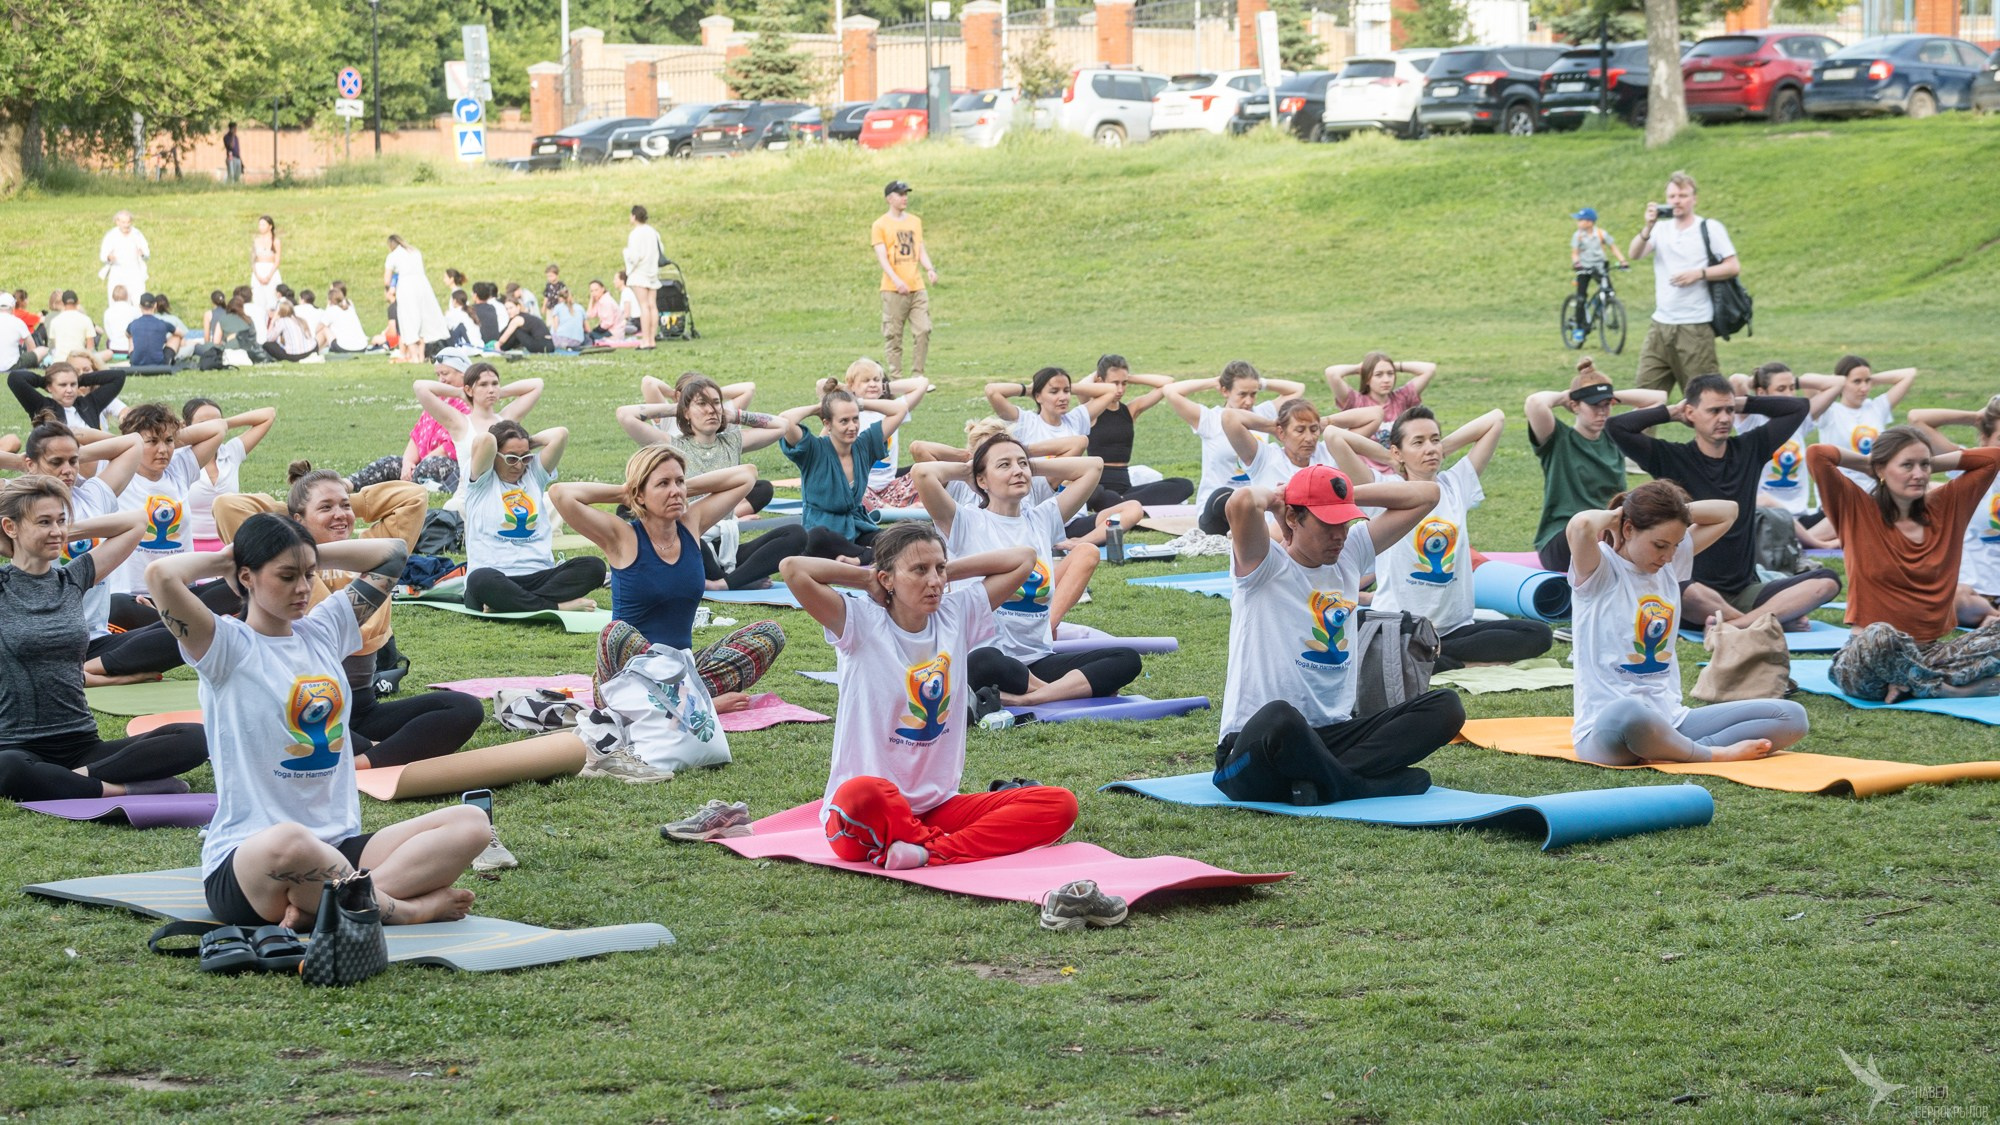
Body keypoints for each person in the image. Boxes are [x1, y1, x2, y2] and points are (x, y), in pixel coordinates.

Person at [150, 516, 508, 928]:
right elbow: (160, 574)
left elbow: (392, 554)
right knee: (289, 841)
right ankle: (405, 910)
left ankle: (332, 908)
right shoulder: (224, 646)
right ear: (246, 577)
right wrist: (229, 558)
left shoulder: (323, 631)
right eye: (286, 576)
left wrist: (304, 550)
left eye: (308, 574)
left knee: (471, 824)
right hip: (254, 862)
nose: (303, 588)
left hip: (338, 849)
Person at [781, 527, 1084, 871]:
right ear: (887, 579)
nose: (935, 582)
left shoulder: (956, 614)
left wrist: (941, 570)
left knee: (1058, 803)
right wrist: (867, 579)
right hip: (869, 813)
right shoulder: (859, 623)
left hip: (937, 808)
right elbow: (793, 568)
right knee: (861, 792)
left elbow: (1024, 558)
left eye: (939, 569)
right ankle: (930, 843)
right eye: (919, 571)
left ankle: (927, 851)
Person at [212, 467, 502, 806]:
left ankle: (359, 763)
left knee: (463, 708)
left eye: (344, 506)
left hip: (360, 709)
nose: (340, 515)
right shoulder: (283, 572)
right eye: (326, 508)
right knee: (294, 734)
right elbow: (228, 506)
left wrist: (352, 499)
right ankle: (364, 753)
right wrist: (292, 532)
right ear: (297, 518)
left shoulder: (371, 554)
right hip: (305, 714)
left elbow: (414, 497)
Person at [1212, 466, 1464, 805]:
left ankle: (1323, 780)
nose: (1340, 535)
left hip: (1331, 736)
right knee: (1281, 717)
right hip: (1256, 747)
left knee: (1445, 706)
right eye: (1328, 524)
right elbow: (1241, 502)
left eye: (1345, 523)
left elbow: (1427, 495)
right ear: (1293, 517)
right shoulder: (1262, 567)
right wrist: (1279, 498)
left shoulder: (1350, 555)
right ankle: (1354, 785)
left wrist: (1341, 495)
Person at [549, 450, 787, 779]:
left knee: (769, 634)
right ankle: (697, 705)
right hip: (628, 676)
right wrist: (627, 490)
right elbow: (561, 494)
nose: (676, 491)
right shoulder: (622, 537)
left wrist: (675, 487)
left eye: (679, 482)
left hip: (681, 672)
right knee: (615, 632)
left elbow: (746, 475)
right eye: (663, 484)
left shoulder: (690, 526)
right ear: (639, 494)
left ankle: (686, 701)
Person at [0, 477, 208, 803]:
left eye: (60, 520)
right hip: (15, 746)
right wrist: (15, 535)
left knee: (196, 737)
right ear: (10, 526)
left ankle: (75, 782)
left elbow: (137, 523)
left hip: (82, 745)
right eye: (44, 522)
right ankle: (120, 789)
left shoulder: (74, 577)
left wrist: (64, 530)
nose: (56, 531)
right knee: (8, 768)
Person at [1568, 482, 1804, 765]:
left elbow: (1728, 512)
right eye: (1659, 545)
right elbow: (1581, 525)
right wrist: (1619, 514)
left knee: (1791, 717)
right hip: (1607, 729)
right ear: (1629, 529)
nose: (1668, 555)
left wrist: (1675, 512)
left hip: (1672, 720)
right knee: (1630, 712)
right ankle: (1710, 754)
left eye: (1675, 545)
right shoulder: (1600, 570)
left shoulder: (1668, 565)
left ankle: (1676, 749)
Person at [915, 436, 1139, 714]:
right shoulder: (964, 521)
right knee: (986, 661)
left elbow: (1093, 466)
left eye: (1022, 465)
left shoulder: (1041, 519)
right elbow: (922, 472)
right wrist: (969, 470)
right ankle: (1067, 689)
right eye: (1004, 465)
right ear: (981, 481)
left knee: (1126, 658)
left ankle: (1031, 698)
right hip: (989, 659)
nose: (1017, 471)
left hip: (1037, 660)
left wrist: (1026, 463)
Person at [1609, 373, 1840, 631]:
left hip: (1746, 589)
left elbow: (1797, 407)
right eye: (1714, 410)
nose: (1724, 418)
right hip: (1693, 589)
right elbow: (1617, 427)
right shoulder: (1670, 457)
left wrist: (1738, 402)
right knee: (1685, 590)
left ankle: (1740, 625)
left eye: (1729, 411)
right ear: (1691, 412)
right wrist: (1673, 411)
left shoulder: (1751, 448)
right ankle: (1766, 622)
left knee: (1827, 581)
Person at [1327, 407, 1552, 668]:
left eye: (1435, 439)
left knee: (1539, 634)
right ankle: (1456, 661)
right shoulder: (1385, 491)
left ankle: (1430, 656)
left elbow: (1496, 419)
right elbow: (1334, 436)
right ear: (1398, 451)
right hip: (1402, 624)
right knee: (1391, 644)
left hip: (1454, 629)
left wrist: (1441, 447)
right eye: (1418, 442)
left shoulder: (1456, 484)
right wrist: (1391, 458)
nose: (1430, 448)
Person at [1811, 429, 2000, 703]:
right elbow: (1819, 454)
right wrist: (1873, 465)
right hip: (1868, 662)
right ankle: (1940, 688)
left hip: (1930, 655)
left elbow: (1992, 459)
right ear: (1881, 469)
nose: (1920, 474)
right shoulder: (1856, 509)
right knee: (1880, 633)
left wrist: (1926, 462)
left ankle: (1909, 683)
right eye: (1907, 465)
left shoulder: (1947, 506)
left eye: (1925, 465)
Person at [0, 419, 178, 687]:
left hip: (94, 640)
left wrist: (62, 531)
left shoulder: (93, 496)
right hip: (36, 640)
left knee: (186, 630)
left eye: (73, 461)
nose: (68, 470)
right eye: (56, 462)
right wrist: (25, 463)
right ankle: (91, 675)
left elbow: (133, 443)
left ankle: (84, 670)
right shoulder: (15, 506)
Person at [615, 374, 805, 588]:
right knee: (688, 536)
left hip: (727, 544)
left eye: (715, 403)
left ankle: (724, 582)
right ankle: (737, 580)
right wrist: (677, 408)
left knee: (796, 534)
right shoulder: (672, 444)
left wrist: (732, 414)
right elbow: (625, 415)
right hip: (691, 540)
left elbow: (781, 425)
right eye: (702, 404)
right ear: (686, 412)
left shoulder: (733, 441)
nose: (711, 410)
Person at [1524, 359, 1668, 573]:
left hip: (1611, 533)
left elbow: (1658, 399)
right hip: (1564, 538)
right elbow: (1535, 403)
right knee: (1594, 530)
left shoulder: (1615, 436)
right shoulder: (1558, 439)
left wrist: (1607, 393)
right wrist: (1568, 395)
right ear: (1575, 406)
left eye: (1606, 405)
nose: (1602, 412)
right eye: (1594, 405)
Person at [461, 421, 605, 613]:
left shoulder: (533, 475)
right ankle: (556, 606)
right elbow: (485, 440)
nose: (519, 465)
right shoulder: (480, 481)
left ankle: (507, 603)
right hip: (496, 577)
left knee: (595, 567)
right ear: (494, 455)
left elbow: (560, 434)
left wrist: (525, 444)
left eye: (525, 457)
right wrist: (509, 442)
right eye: (511, 458)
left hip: (540, 576)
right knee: (479, 580)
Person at [1629, 170, 1739, 395]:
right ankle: (1643, 433)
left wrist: (1699, 273)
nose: (1676, 201)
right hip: (1660, 325)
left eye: (1682, 195)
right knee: (1644, 396)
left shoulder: (1709, 228)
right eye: (1672, 196)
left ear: (1694, 198)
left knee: (1704, 397)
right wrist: (1648, 226)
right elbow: (1634, 254)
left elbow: (1732, 266)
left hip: (1695, 326)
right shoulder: (1660, 228)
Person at [780, 387, 911, 565]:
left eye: (855, 419)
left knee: (904, 537)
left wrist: (859, 403)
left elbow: (899, 410)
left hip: (857, 527)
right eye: (844, 421)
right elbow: (785, 420)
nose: (852, 427)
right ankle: (868, 555)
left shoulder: (864, 445)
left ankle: (859, 557)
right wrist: (818, 407)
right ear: (827, 424)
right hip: (823, 534)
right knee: (816, 537)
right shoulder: (814, 450)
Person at [1160, 361, 1309, 514]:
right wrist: (1214, 382)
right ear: (1225, 391)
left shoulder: (1263, 414)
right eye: (1242, 394)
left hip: (1255, 505)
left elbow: (1298, 389)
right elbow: (1170, 391)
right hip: (1218, 507)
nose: (1249, 401)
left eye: (1253, 394)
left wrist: (1260, 383)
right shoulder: (1209, 419)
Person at [1727, 361, 1844, 550]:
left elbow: (1837, 383)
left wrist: (1796, 381)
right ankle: (1813, 543)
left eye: (1792, 388)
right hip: (1767, 516)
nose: (1790, 394)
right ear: (1762, 392)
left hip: (1802, 518)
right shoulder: (1751, 419)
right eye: (1781, 389)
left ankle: (1794, 542)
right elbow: (1735, 381)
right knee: (1765, 500)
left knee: (1847, 507)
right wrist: (1756, 380)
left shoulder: (1801, 418)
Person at [1909, 397, 2000, 629]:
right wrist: (1976, 418)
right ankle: (1991, 617)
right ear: (1984, 439)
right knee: (1952, 598)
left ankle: (1991, 622)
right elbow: (1917, 419)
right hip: (1972, 596)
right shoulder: (1972, 468)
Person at [413, 362, 543, 513]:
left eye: (494, 384)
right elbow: (420, 387)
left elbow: (537, 384)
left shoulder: (506, 419)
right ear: (469, 389)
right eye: (483, 385)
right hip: (471, 496)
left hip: (503, 494)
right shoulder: (460, 423)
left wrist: (499, 392)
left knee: (546, 501)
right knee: (454, 507)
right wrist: (460, 393)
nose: (491, 390)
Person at [1196, 397, 1336, 536]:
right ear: (1281, 432)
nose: (1309, 438)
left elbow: (1359, 417)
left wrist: (1326, 423)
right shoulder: (1265, 458)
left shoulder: (1327, 452)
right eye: (1300, 430)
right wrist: (1272, 427)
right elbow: (1229, 417)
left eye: (1313, 430)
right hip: (1274, 537)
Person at [347, 349, 477, 494]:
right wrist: (408, 462)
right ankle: (347, 484)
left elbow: (451, 446)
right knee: (389, 462)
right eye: (438, 375)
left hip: (449, 465)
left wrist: (420, 464)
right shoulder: (438, 400)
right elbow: (417, 435)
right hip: (422, 464)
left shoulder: (470, 406)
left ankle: (406, 488)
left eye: (445, 374)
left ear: (463, 374)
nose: (441, 379)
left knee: (429, 465)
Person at [1072, 355, 1193, 511]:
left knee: (1184, 485)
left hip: (1125, 489)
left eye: (1124, 384)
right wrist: (1096, 377)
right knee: (1100, 495)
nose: (1120, 389)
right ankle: (1123, 505)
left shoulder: (1130, 410)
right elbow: (1080, 388)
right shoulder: (1092, 410)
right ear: (1100, 382)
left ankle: (1122, 503)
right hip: (1099, 486)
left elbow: (1168, 383)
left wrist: (1129, 377)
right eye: (1114, 383)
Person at [183, 398, 277, 554]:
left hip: (232, 543)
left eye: (215, 422)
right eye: (203, 424)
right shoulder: (178, 459)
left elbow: (268, 414)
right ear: (186, 427)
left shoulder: (230, 452)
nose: (211, 429)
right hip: (189, 546)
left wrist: (223, 424)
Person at [1812, 355, 1919, 489]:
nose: (1864, 388)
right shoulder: (1829, 412)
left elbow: (1909, 374)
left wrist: (1870, 379)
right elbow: (1808, 382)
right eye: (1857, 382)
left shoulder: (1877, 407)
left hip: (1876, 492)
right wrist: (1837, 382)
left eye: (1867, 381)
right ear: (1842, 383)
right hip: (1841, 492)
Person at [872, 180, 937, 384]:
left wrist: (930, 269)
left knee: (924, 329)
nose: (904, 197)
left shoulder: (914, 222)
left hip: (916, 286)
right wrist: (896, 280)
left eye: (905, 194)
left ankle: (918, 376)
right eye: (900, 194)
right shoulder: (880, 225)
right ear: (889, 198)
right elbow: (882, 257)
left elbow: (919, 249)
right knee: (894, 335)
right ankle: (897, 379)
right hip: (893, 290)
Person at [1323, 352, 1440, 443]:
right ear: (1367, 379)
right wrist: (1360, 368)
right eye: (1378, 375)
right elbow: (1332, 373)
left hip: (1396, 467)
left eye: (1390, 374)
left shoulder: (1402, 398)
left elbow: (1429, 369)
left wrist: (1393, 365)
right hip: (1365, 468)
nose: (1386, 380)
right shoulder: (1355, 401)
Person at [1567, 207, 1629, 341]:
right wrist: (1576, 263)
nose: (1578, 222)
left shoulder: (1601, 234)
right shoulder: (1577, 235)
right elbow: (1575, 253)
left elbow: (1613, 247)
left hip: (1600, 267)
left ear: (1590, 222)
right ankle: (1578, 327)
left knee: (1609, 291)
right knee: (1581, 297)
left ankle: (1598, 306)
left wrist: (1622, 260)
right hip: (1584, 268)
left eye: (1581, 219)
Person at [9, 361, 127, 430]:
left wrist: (80, 379)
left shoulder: (89, 403)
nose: (69, 390)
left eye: (73, 384)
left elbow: (118, 376)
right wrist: (43, 381)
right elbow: (15, 379)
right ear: (49, 387)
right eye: (63, 385)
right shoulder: (42, 406)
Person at [384, 234, 446, 364]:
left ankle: (414, 357)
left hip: (406, 287)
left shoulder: (393, 256)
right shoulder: (415, 252)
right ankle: (421, 355)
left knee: (408, 320)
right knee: (421, 320)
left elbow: (387, 279)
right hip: (423, 286)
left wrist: (388, 289)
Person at [623, 206, 665, 349]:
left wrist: (626, 254)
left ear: (634, 216)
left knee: (643, 306)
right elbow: (661, 251)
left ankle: (645, 340)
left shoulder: (635, 234)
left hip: (640, 272)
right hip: (652, 271)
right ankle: (652, 339)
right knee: (652, 305)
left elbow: (634, 256)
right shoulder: (653, 232)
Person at [98, 211, 150, 308]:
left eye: (128, 222)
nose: (126, 225)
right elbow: (103, 256)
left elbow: (147, 253)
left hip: (135, 272)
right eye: (123, 222)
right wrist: (109, 257)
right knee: (117, 301)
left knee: (138, 300)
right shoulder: (111, 235)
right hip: (117, 272)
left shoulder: (137, 234)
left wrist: (142, 254)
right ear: (117, 222)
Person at [46, 292, 103, 366]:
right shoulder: (86, 319)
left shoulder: (54, 321)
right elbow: (90, 348)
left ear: (63, 303)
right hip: (78, 361)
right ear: (78, 302)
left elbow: (54, 346)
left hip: (59, 362)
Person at [124, 294, 181, 368]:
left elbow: (127, 334)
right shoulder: (162, 324)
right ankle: (171, 359)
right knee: (176, 337)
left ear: (140, 306)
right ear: (155, 305)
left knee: (130, 337)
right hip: (159, 363)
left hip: (136, 363)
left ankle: (133, 358)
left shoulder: (133, 324)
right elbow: (181, 333)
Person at [317, 283, 372, 354]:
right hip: (363, 347)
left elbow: (318, 328)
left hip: (345, 347)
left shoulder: (332, 310)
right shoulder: (350, 308)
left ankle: (312, 351)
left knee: (325, 329)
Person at [0, 293, 44, 370]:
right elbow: (32, 347)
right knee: (43, 350)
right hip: (13, 365)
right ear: (13, 307)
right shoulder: (18, 322)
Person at [250, 215, 283, 318]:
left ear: (270, 226)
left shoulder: (275, 241)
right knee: (258, 298)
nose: (260, 227)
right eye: (259, 224)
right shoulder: (256, 240)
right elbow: (253, 259)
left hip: (271, 270)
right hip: (258, 270)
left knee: (272, 297)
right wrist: (257, 275)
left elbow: (277, 261)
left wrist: (269, 276)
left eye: (263, 224)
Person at [101, 287, 137, 355]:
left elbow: (108, 331)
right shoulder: (134, 310)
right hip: (132, 346)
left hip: (114, 347)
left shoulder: (108, 312)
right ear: (127, 296)